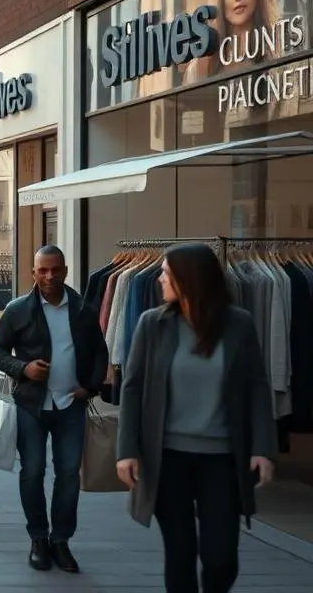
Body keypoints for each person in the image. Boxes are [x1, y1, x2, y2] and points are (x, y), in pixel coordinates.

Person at [116, 243, 276, 593]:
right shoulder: (152, 325)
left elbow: (257, 388)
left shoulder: (239, 325)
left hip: (222, 459)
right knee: (181, 551)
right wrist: (126, 450)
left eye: (166, 273)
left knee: (220, 557)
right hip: (167, 458)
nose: (159, 279)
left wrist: (263, 447)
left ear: (189, 279)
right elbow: (132, 389)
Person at [0, 245, 109, 574]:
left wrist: (91, 386)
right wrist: (22, 368)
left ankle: (61, 541)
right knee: (33, 471)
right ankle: (38, 538)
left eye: (55, 270)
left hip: (71, 404)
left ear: (65, 271)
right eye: (43, 270)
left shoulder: (83, 308)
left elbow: (100, 352)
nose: (49, 276)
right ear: (33, 273)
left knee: (68, 474)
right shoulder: (17, 309)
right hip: (31, 405)